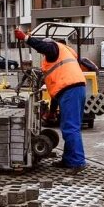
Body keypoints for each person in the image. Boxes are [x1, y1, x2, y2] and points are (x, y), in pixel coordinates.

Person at [15, 28, 87, 175]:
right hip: (72, 90)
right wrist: (52, 112)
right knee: (70, 127)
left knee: (70, 128)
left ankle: (78, 162)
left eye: (43, 52)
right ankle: (68, 160)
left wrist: (26, 38)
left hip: (71, 90)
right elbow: (56, 90)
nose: (43, 54)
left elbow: (45, 46)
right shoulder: (61, 57)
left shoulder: (54, 48)